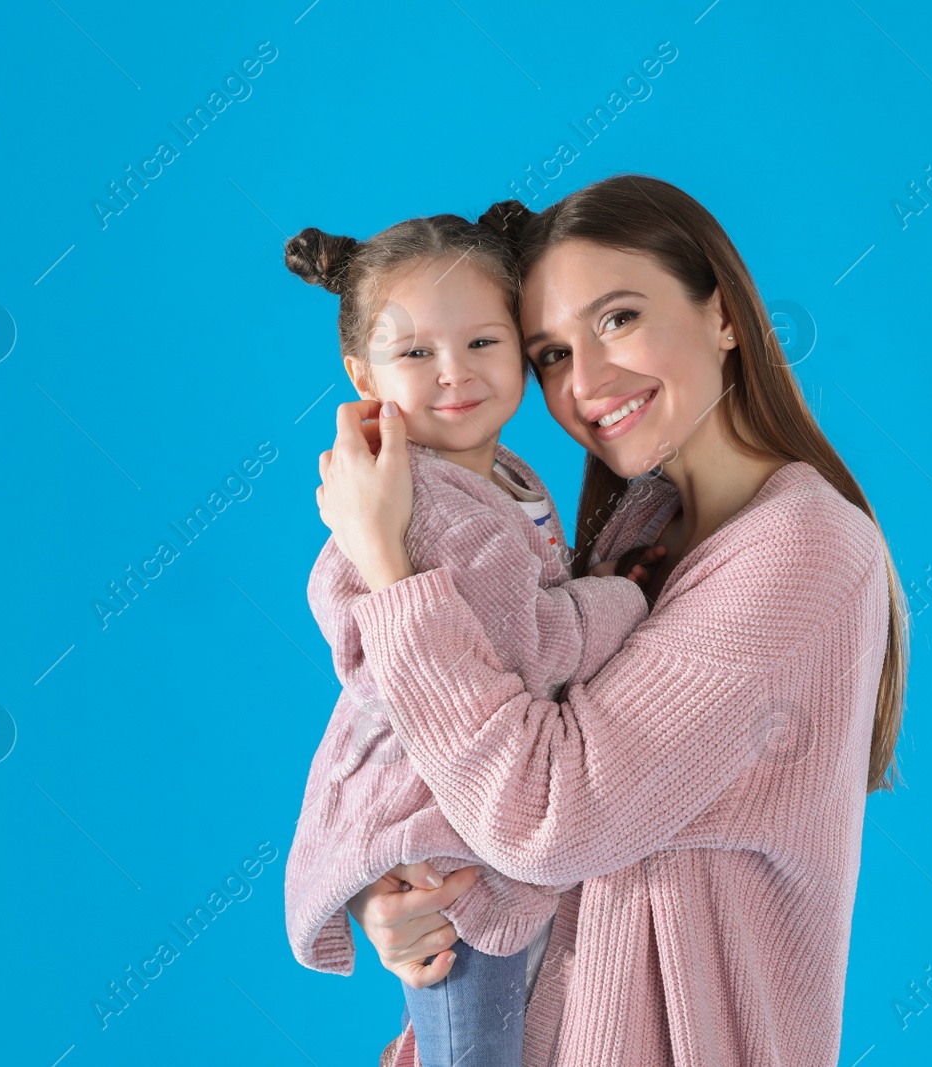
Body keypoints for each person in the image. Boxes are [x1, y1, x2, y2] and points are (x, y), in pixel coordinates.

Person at [320, 175, 910, 1066]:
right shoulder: (637, 530)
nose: (586, 381)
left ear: (723, 314)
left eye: (619, 318)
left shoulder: (805, 545)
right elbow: (473, 759)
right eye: (551, 351)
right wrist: (403, 885)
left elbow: (548, 814)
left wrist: (388, 569)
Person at [281, 209, 662, 1067]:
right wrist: (626, 604)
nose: (453, 374)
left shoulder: (507, 475)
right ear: (360, 371)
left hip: (484, 803)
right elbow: (530, 646)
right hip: (443, 827)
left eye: (483, 342)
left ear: (521, 347)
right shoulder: (425, 499)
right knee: (474, 1040)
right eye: (414, 353)